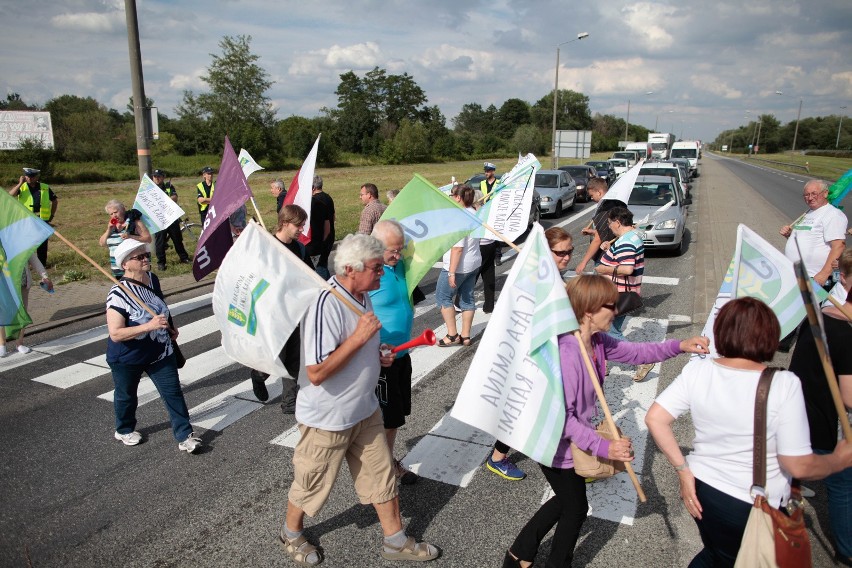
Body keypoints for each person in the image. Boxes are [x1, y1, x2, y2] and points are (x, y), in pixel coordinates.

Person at [504, 274, 709, 568]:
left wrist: (680, 345)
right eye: (610, 306)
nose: (616, 311)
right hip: (552, 442)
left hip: (569, 438)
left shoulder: (596, 341)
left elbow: (636, 353)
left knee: (567, 501)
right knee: (575, 509)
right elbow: (564, 419)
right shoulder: (567, 354)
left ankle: (519, 554)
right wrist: (603, 447)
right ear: (588, 311)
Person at [645, 297, 852, 568]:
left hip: (704, 489)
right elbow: (798, 464)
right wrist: (838, 459)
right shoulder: (783, 384)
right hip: (753, 501)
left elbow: (655, 418)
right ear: (769, 336)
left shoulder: (698, 370)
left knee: (717, 555)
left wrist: (683, 471)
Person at [280, 234, 439, 566]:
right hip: (328, 417)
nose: (382, 273)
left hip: (364, 409)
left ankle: (395, 541)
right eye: (376, 268)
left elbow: (360, 343)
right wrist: (359, 339)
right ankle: (291, 533)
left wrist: (377, 351)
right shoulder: (325, 304)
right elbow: (317, 370)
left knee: (381, 476)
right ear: (351, 269)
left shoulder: (361, 295)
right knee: (312, 482)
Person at [486, 228, 576, 482]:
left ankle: (573, 454)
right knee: (524, 405)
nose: (567, 257)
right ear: (547, 252)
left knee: (547, 405)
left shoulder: (554, 276)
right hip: (534, 354)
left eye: (570, 251)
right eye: (561, 253)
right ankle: (498, 458)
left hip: (554, 350)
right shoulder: (535, 280)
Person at [105, 239, 201, 454]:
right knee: (126, 395)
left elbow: (160, 307)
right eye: (138, 257)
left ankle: (185, 435)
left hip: (160, 351)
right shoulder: (117, 294)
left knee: (173, 393)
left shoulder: (152, 279)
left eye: (146, 255)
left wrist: (171, 328)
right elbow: (116, 333)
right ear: (125, 265)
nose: (145, 259)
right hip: (128, 356)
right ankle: (124, 429)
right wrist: (148, 326)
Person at [789, 248, 852, 566]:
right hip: (829, 419)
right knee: (843, 484)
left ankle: (791, 490)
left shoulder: (822, 313)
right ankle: (847, 548)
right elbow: (850, 397)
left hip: (806, 408)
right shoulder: (843, 329)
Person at [249, 205, 314, 413]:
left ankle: (289, 401)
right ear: (285, 223)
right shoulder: (267, 247)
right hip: (274, 313)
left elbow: (308, 274)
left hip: (294, 310)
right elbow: (257, 280)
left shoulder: (299, 248)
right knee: (277, 358)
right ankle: (259, 375)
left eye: (303, 225)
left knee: (294, 358)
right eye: (298, 225)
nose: (301, 230)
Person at [369, 220, 418, 485]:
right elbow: (354, 316)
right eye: (393, 251)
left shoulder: (399, 265)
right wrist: (373, 348)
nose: (398, 256)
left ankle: (386, 461)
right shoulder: (368, 273)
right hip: (380, 360)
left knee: (395, 418)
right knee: (384, 419)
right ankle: (383, 470)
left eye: (400, 249)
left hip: (402, 355)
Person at [780, 179, 847, 289]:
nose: (810, 198)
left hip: (815, 277)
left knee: (812, 306)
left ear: (825, 193)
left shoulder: (833, 215)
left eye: (814, 194)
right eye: (806, 195)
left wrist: (823, 274)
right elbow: (805, 240)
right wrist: (789, 235)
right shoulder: (808, 213)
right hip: (798, 275)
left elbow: (839, 246)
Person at [436, 184, 480, 347]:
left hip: (458, 266)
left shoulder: (460, 218)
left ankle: (452, 334)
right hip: (474, 262)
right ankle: (466, 336)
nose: (450, 198)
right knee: (467, 298)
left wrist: (451, 272)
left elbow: (457, 248)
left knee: (443, 297)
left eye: (452, 195)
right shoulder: (474, 213)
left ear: (458, 198)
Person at [595, 206, 644, 342]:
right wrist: (610, 251)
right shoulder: (632, 237)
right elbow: (622, 259)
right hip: (621, 292)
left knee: (610, 330)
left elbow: (627, 269)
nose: (609, 227)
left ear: (617, 222)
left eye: (609, 223)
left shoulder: (626, 241)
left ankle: (640, 359)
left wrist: (604, 269)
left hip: (618, 293)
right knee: (610, 329)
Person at [0, 253, 53, 357]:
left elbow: (34, 259)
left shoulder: (23, 242)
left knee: (22, 311)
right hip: (5, 284)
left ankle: (19, 343)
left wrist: (44, 276)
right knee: (2, 313)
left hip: (23, 283)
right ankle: (2, 344)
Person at [574, 177, 627, 274]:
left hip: (604, 257)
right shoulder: (617, 204)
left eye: (592, 195)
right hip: (617, 254)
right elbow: (609, 231)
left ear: (599, 192)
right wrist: (593, 232)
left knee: (599, 287)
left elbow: (598, 239)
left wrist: (583, 262)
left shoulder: (604, 210)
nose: (591, 198)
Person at [9, 168, 58, 266]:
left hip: (42, 219)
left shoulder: (44, 187)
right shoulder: (22, 187)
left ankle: (42, 263)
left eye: (32, 176)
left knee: (42, 243)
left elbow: (54, 201)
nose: (29, 178)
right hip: (26, 220)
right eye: (27, 176)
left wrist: (51, 215)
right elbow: (10, 195)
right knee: (26, 242)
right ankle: (26, 264)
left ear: (37, 177)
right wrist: (20, 184)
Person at [98, 199, 153, 277]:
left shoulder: (134, 222)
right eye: (111, 214)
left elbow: (148, 239)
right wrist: (109, 229)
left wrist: (130, 236)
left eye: (116, 212)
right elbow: (102, 243)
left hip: (134, 269)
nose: (114, 215)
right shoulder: (112, 227)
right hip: (117, 269)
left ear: (123, 209)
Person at [151, 169, 191, 270]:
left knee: (177, 239)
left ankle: (184, 258)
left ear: (163, 177)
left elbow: (174, 197)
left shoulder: (168, 186)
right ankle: (161, 263)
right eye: (155, 176)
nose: (157, 178)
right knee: (160, 242)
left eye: (159, 176)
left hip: (171, 218)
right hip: (159, 220)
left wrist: (163, 199)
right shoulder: (150, 189)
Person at [478, 162, 500, 313]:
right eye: (485, 171)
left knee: (477, 272)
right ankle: (489, 305)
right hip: (485, 213)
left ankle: (498, 254)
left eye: (488, 171)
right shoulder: (481, 184)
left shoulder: (499, 183)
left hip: (494, 215)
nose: (486, 173)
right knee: (487, 271)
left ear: (493, 171)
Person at [306, 175, 335, 280]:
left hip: (319, 241)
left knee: (319, 268)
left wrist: (321, 241)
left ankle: (328, 288)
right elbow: (333, 217)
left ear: (313, 187)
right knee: (323, 264)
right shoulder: (328, 198)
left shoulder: (315, 202)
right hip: (329, 237)